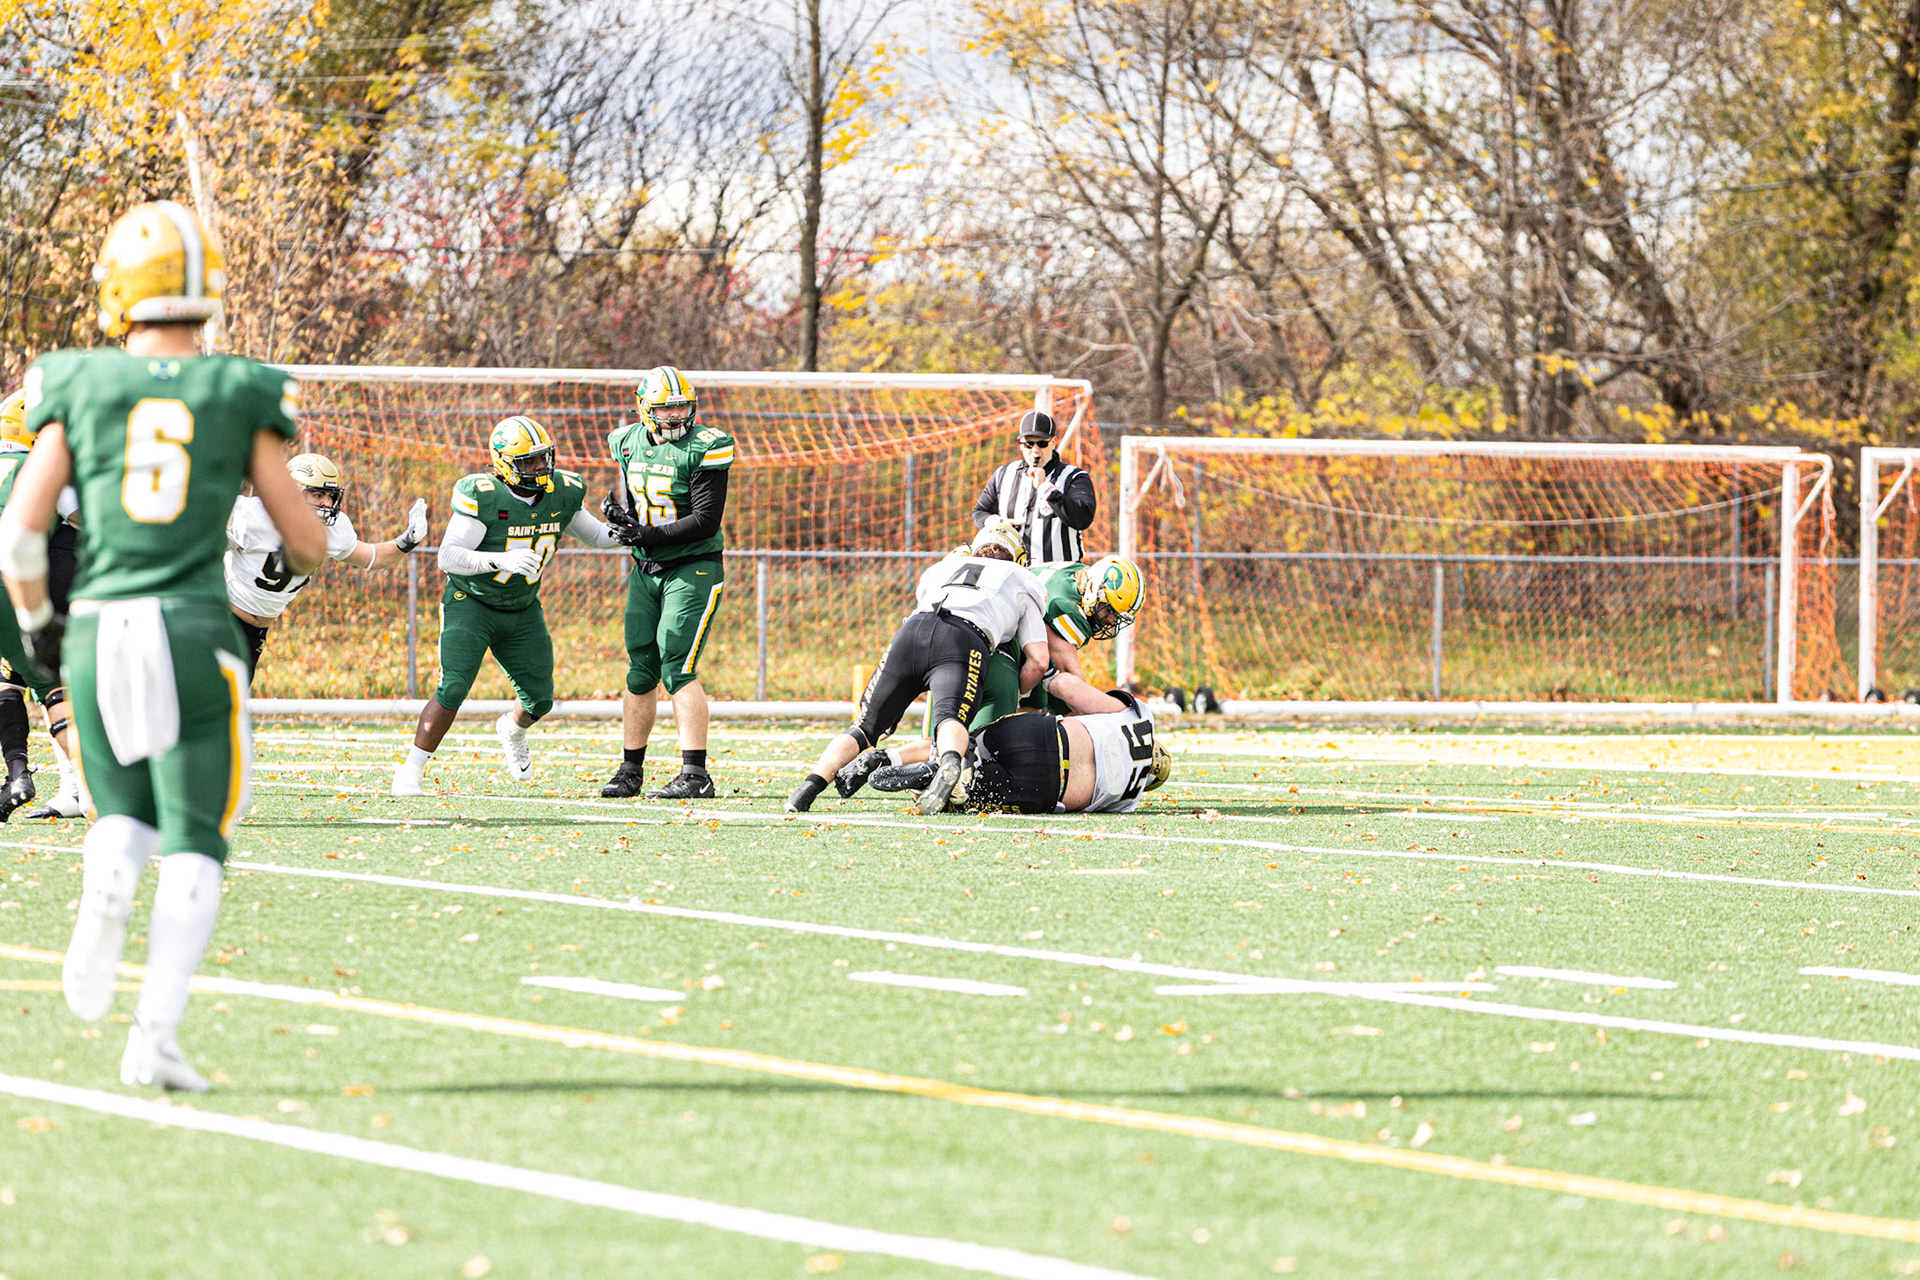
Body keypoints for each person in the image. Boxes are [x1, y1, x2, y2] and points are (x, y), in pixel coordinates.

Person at [0, 200, 328, 1092]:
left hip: (99, 623)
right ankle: (155, 1036)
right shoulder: (238, 390)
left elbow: (20, 535)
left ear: (118, 287)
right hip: (192, 628)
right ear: (206, 286)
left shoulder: (76, 381)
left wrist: (38, 626)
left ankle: (106, 881)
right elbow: (306, 542)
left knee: (122, 816)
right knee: (194, 839)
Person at [391, 415, 624, 796]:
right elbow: (448, 556)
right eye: (529, 461)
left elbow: (596, 535)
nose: (540, 467)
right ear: (504, 463)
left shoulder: (561, 492)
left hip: (523, 607)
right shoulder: (484, 495)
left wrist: (631, 531)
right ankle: (411, 770)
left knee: (540, 700)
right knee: (453, 687)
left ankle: (512, 729)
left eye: (543, 458)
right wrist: (499, 560)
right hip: (472, 602)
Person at [786, 516, 1050, 816]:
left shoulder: (944, 567)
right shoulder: (1021, 577)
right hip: (963, 638)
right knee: (950, 719)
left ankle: (807, 788)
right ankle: (948, 764)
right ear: (1018, 557)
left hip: (911, 632)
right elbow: (1039, 660)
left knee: (864, 727)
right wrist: (1020, 692)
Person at [837, 554, 1146, 796]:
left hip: (950, 637)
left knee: (954, 736)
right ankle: (929, 772)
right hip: (998, 657)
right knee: (982, 746)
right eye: (1108, 611)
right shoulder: (1068, 608)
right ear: (1093, 590)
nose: (1109, 621)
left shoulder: (1072, 572)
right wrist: (1116, 727)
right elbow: (1066, 679)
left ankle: (886, 758)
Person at [597, 366, 734, 801]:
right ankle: (630, 769)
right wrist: (624, 520)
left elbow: (705, 520)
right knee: (641, 669)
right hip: (646, 568)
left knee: (676, 664)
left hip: (692, 566)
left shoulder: (706, 445)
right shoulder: (626, 442)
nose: (675, 416)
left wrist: (646, 533)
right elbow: (639, 502)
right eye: (665, 409)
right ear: (644, 409)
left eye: (681, 407)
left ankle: (695, 774)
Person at [225, 452, 428, 676]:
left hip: (255, 634)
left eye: (330, 496)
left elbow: (374, 557)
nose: (327, 503)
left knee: (233, 694)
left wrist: (407, 540)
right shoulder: (252, 516)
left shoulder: (333, 530)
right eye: (318, 494)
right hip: (220, 618)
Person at [866, 671, 1172, 815]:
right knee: (958, 796)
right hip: (1046, 788)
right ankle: (932, 780)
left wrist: (1047, 676)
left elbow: (1067, 687)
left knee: (957, 747)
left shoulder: (1140, 718)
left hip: (1042, 734)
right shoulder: (1129, 801)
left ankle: (889, 756)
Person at [0, 388, 90, 821]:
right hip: (13, 581)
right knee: (54, 691)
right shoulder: (41, 467)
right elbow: (83, 518)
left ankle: (19, 774)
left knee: (8, 679)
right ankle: (98, 792)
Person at [972, 408, 1096, 566]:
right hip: (1014, 570)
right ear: (1021, 444)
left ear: (1053, 442)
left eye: (1042, 443)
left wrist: (1046, 489)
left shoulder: (1074, 477)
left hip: (1060, 571)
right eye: (1029, 444)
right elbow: (980, 512)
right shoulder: (1003, 474)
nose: (1035, 450)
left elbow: (1082, 519)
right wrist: (998, 523)